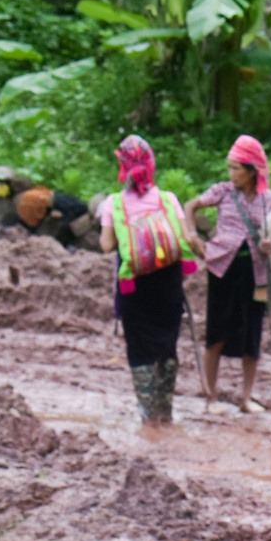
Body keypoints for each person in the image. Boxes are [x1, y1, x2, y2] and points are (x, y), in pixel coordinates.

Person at [185, 136, 271, 414]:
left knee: (253, 332)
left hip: (256, 274)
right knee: (216, 330)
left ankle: (246, 398)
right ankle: (210, 397)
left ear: (251, 171)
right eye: (230, 168)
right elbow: (190, 206)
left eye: (237, 168)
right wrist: (191, 234)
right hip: (222, 269)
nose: (232, 174)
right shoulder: (223, 192)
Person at [98, 135, 201, 426]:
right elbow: (183, 238)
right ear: (151, 165)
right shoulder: (168, 200)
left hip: (134, 285)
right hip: (168, 284)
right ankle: (165, 412)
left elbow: (107, 245)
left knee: (139, 347)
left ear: (123, 167)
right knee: (167, 345)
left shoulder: (113, 204)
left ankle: (147, 415)